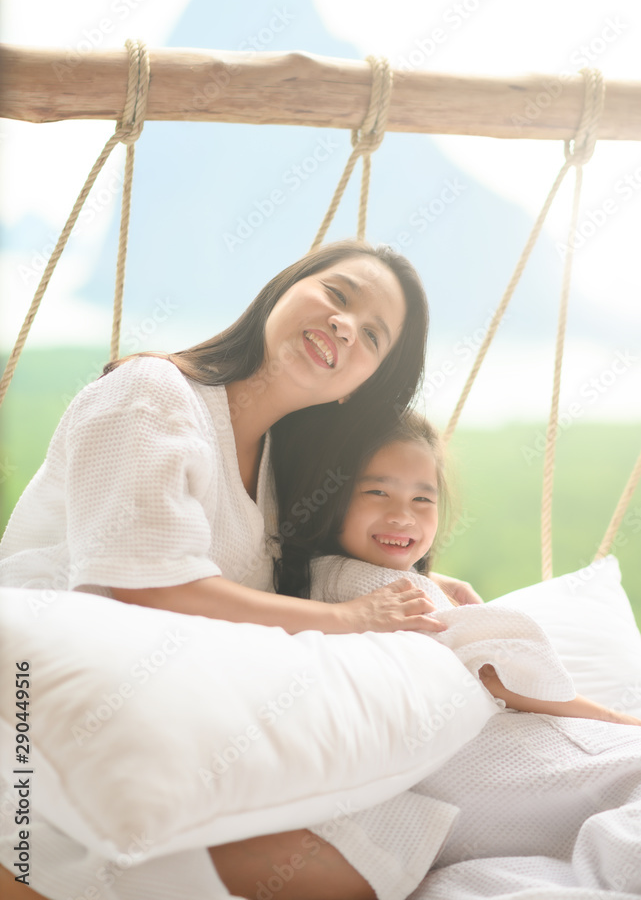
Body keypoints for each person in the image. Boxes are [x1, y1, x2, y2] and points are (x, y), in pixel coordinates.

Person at [0, 241, 473, 900]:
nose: (344, 326)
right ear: (282, 289)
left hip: (158, 720)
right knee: (329, 862)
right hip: (37, 715)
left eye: (371, 336)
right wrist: (348, 618)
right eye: (337, 297)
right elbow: (152, 586)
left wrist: (424, 584)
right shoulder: (153, 391)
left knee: (380, 847)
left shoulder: (281, 470)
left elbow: (300, 580)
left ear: (359, 385)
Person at [278, 410, 641, 896]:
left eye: (422, 499)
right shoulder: (386, 593)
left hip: (458, 785)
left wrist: (431, 580)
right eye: (377, 492)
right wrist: (611, 718)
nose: (402, 515)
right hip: (487, 765)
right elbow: (501, 675)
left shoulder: (326, 583)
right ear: (332, 500)